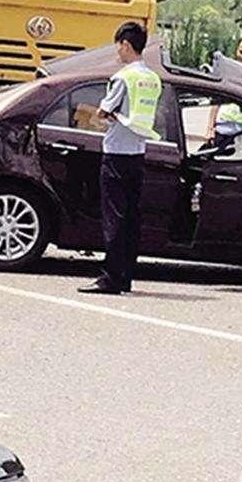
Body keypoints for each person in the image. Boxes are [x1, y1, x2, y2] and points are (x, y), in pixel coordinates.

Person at [78, 22, 162, 295]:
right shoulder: (151, 78)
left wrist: (108, 115)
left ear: (125, 44)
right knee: (130, 219)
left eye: (118, 46)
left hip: (115, 154)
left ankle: (109, 278)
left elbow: (103, 111)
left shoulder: (123, 77)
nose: (117, 52)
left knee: (114, 218)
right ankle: (125, 276)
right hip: (137, 153)